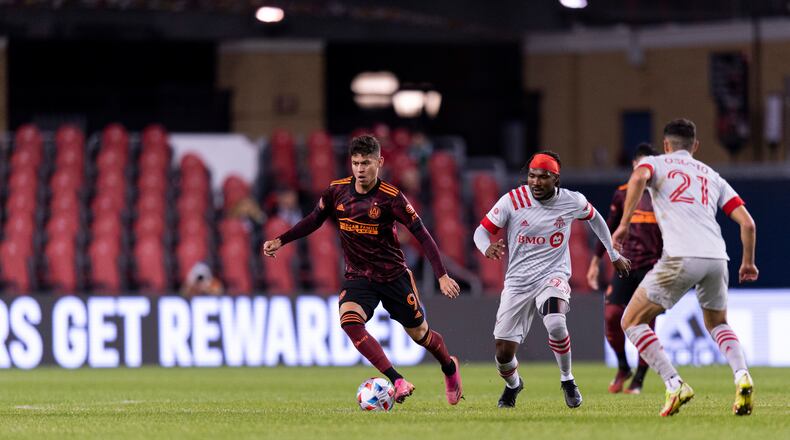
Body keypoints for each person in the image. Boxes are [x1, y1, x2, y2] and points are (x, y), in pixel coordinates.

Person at [262, 135, 463, 405]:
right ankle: (397, 379)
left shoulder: (392, 198)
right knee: (349, 321)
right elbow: (313, 220)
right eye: (355, 162)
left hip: (393, 276)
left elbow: (423, 235)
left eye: (366, 163)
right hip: (358, 276)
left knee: (420, 335)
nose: (359, 168)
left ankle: (449, 368)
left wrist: (442, 275)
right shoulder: (337, 191)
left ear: (379, 163)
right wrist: (281, 240)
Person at [613, 118, 758, 417]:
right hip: (717, 258)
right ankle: (742, 375)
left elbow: (639, 177)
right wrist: (748, 262)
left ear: (666, 145)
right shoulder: (712, 175)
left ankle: (674, 383)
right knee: (718, 323)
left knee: (631, 321)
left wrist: (624, 224)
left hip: (681, 256)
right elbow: (748, 223)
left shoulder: (656, 163)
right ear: (695, 146)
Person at [474, 151, 630, 409]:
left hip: (553, 275)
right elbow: (481, 230)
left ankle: (567, 379)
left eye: (542, 177)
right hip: (518, 282)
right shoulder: (512, 200)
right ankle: (514, 385)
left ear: (555, 179)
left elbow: (597, 219)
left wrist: (612, 254)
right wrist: (486, 248)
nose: (535, 182)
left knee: (556, 323)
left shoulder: (572, 201)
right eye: (532, 176)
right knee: (503, 354)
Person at [586, 143, 663, 394]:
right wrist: (596, 262)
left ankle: (639, 379)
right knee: (611, 317)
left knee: (646, 323)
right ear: (634, 166)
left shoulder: (665, 196)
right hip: (626, 266)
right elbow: (607, 229)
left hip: (653, 268)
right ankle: (623, 366)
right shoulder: (622, 194)